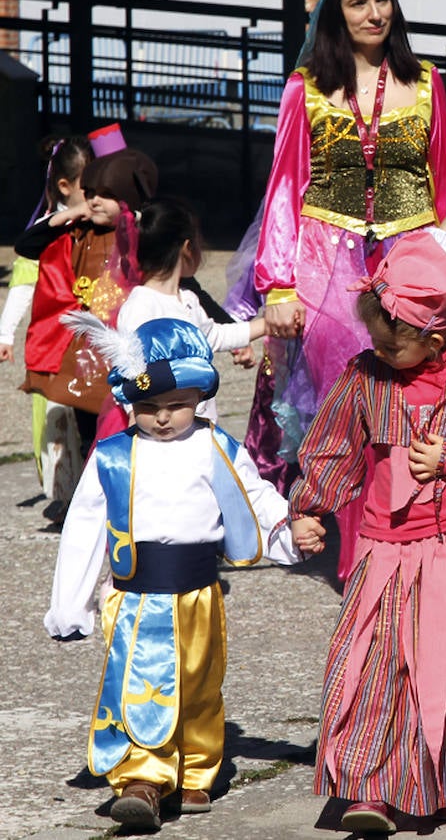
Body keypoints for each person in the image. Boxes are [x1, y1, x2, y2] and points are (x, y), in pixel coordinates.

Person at [288, 233, 446, 832]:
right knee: (376, 662)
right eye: (374, 339)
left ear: (432, 336)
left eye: (389, 342)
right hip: (385, 549)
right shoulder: (365, 378)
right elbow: (333, 447)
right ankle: (370, 788)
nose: (377, 349)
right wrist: (310, 508)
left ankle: (442, 778)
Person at [248, 0, 446, 577]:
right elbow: (284, 189)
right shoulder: (305, 89)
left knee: (407, 390)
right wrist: (277, 284)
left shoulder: (427, 83)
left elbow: (445, 184)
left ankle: (405, 533)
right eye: (358, 3)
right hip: (325, 258)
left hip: (408, 249)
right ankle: (353, 548)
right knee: (346, 399)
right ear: (333, 14)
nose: (375, 14)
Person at [45, 317, 300, 831]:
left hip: (201, 594)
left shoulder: (216, 447)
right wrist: (71, 605)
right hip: (136, 598)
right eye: (147, 408)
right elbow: (85, 530)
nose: (162, 418)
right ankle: (143, 777)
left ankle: (196, 771)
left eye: (175, 405)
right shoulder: (114, 457)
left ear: (199, 396)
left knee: (199, 684)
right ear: (130, 405)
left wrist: (290, 536)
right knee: (141, 685)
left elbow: (257, 497)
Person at [17, 147, 154, 461]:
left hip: (128, 352)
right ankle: (91, 496)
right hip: (85, 359)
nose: (93, 201)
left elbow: (187, 284)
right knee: (90, 436)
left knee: (131, 428)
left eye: (106, 194)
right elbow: (26, 246)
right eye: (89, 192)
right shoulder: (79, 232)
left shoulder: (141, 235)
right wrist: (64, 217)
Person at [0, 132, 93, 508]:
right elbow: (22, 285)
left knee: (89, 418)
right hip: (54, 339)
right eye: (89, 187)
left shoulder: (102, 223)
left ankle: (89, 492)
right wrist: (5, 333)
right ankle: (62, 494)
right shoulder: (46, 231)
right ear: (65, 186)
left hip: (92, 343)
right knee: (55, 419)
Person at [119, 199, 265, 422]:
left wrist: (267, 325)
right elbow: (127, 368)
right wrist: (135, 417)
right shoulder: (141, 306)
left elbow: (214, 335)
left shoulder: (187, 299)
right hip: (161, 429)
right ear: (188, 248)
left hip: (197, 424)